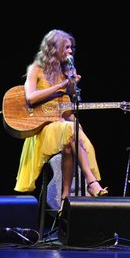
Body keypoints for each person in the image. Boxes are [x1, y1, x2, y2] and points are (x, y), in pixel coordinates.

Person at [14, 29, 108, 204]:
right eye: (66, 48)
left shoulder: (67, 71)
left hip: (64, 125)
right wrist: (61, 86)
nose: (70, 51)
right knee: (70, 131)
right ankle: (92, 182)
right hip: (42, 130)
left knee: (73, 139)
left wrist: (72, 86)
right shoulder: (36, 69)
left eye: (71, 48)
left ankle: (65, 198)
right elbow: (30, 97)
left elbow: (67, 106)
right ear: (53, 48)